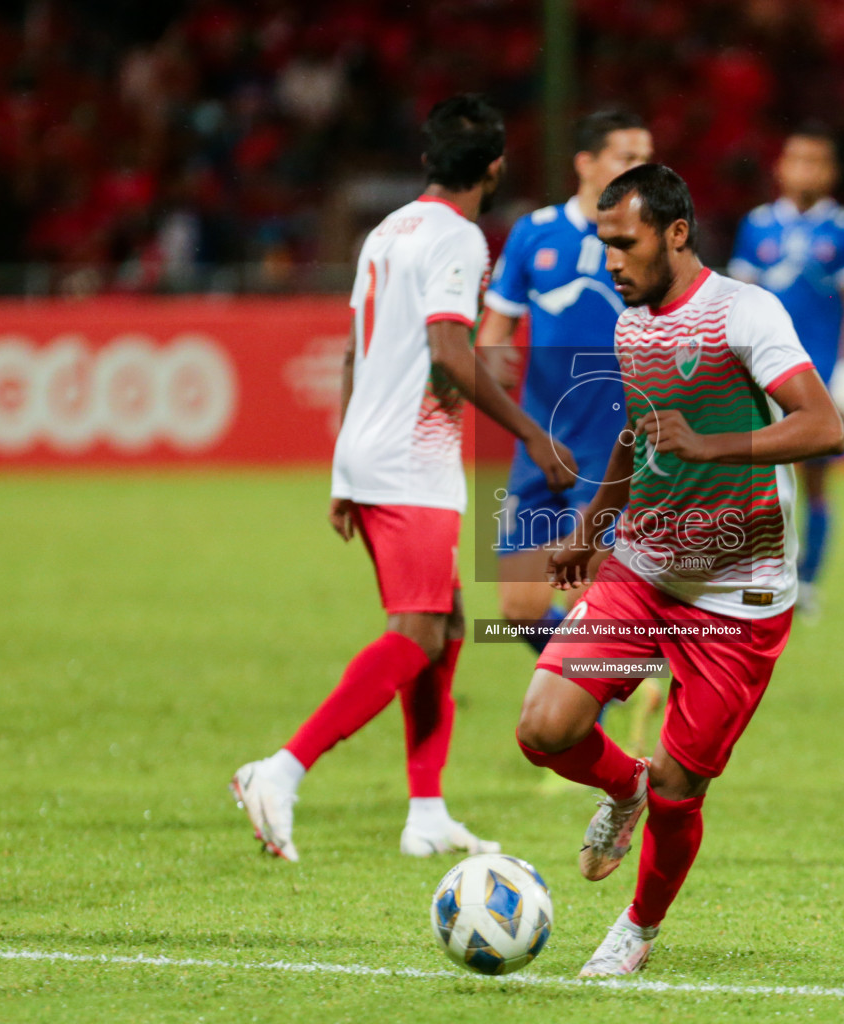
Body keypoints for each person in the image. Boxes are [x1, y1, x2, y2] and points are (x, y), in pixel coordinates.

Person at [513, 164, 844, 976]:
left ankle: (637, 929)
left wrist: (714, 445)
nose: (611, 263)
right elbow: (638, 433)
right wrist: (592, 529)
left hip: (739, 599)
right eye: (603, 246)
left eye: (624, 244)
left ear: (676, 234)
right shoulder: (632, 325)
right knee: (545, 729)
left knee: (682, 789)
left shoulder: (745, 312)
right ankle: (620, 788)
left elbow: (823, 424)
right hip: (642, 573)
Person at [231, 95, 577, 863]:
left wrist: (341, 465)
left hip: (370, 450)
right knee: (418, 631)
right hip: (411, 463)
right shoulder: (459, 239)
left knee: (444, 625)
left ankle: (425, 811)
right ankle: (281, 771)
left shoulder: (385, 231)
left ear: (426, 162)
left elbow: (355, 352)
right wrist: (531, 435)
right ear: (495, 167)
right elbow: (452, 354)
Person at [476, 110, 652, 650]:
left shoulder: (651, 241)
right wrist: (491, 358)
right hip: (541, 441)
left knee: (587, 606)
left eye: (647, 159)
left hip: (612, 446)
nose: (640, 169)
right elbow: (494, 329)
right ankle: (633, 672)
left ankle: (586, 720)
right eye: (628, 158)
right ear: (587, 163)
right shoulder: (534, 233)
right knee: (520, 611)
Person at [728, 127, 844, 619]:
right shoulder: (757, 226)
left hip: (818, 374)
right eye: (797, 160)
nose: (805, 171)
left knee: (813, 479)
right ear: (781, 168)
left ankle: (807, 580)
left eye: (816, 162)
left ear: (830, 172)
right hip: (762, 373)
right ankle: (767, 574)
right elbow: (739, 301)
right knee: (760, 478)